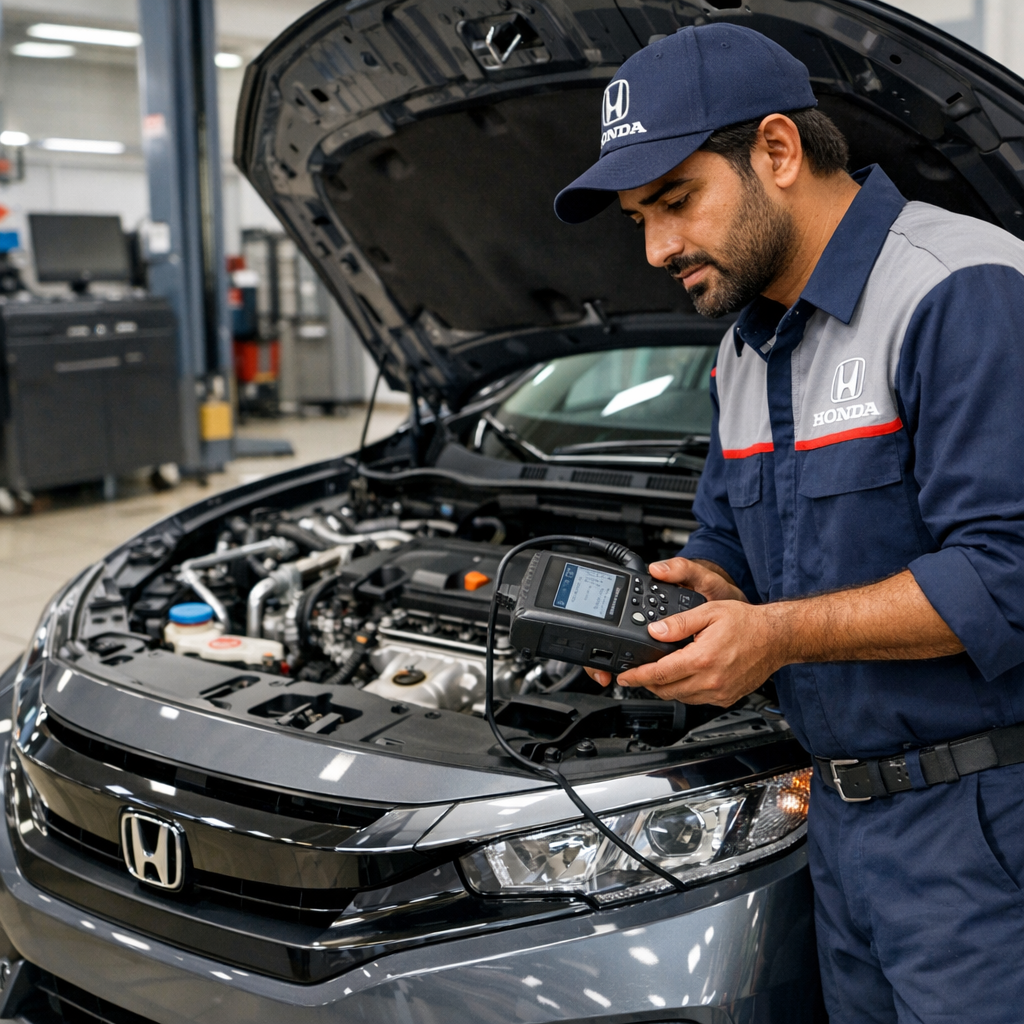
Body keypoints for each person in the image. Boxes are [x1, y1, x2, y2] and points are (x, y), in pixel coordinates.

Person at [554, 23, 1024, 1024]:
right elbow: (730, 543)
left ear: (777, 150)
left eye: (675, 200)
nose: (657, 249)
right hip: (840, 827)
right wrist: (702, 599)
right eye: (639, 218)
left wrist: (773, 635)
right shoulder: (744, 352)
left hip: (986, 828)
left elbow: (1008, 574)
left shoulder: (959, 290)